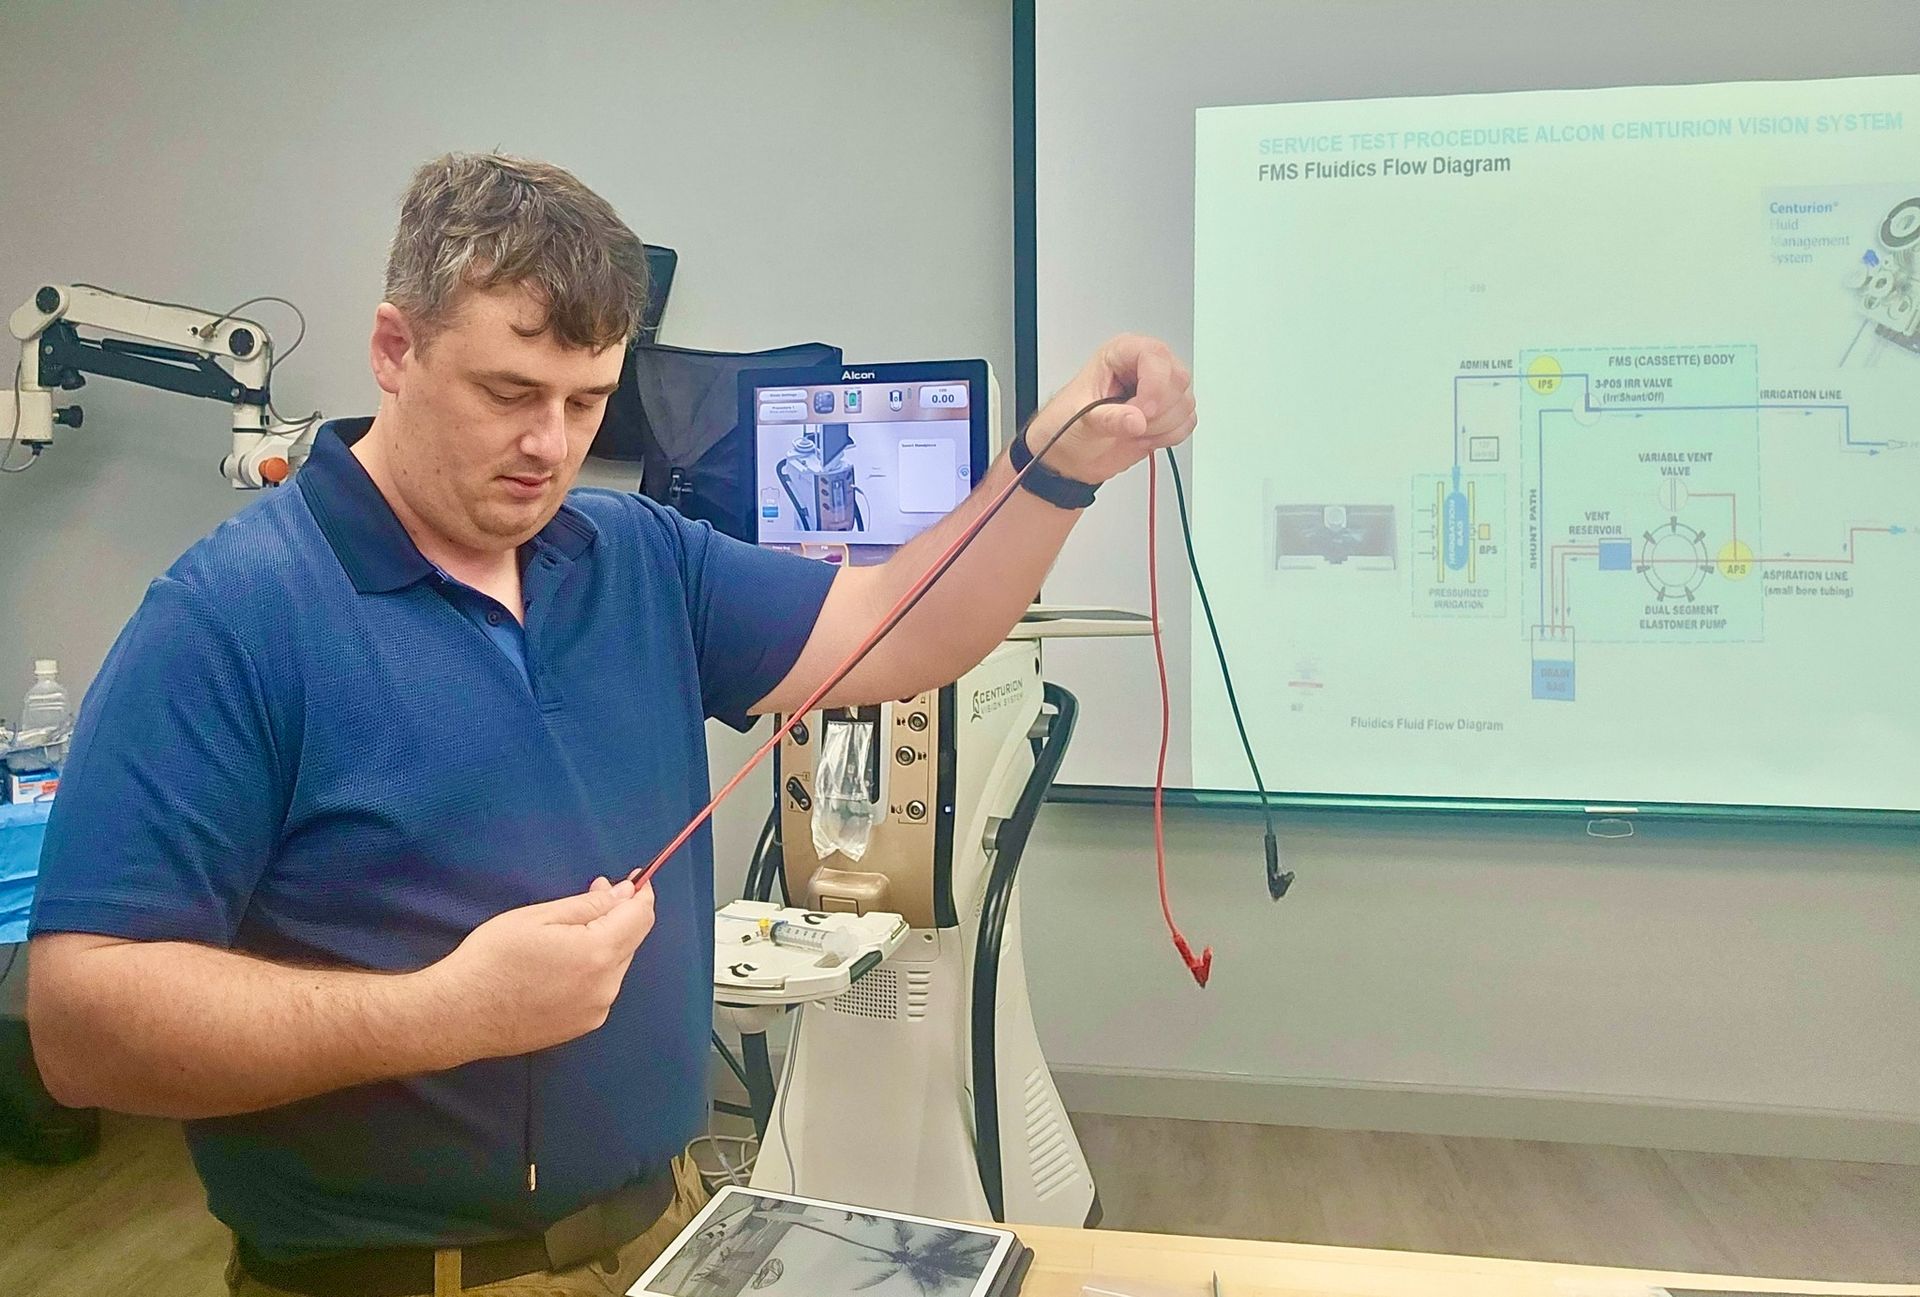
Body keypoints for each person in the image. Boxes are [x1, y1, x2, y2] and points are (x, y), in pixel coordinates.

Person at [24, 152, 1195, 1297]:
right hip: (400, 1274)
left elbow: (898, 626)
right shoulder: (229, 620)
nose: (552, 445)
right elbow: (82, 1025)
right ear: (395, 348)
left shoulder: (632, 555)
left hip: (665, 1232)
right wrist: (445, 1012)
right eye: (509, 395)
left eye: (587, 402)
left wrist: (1055, 468)